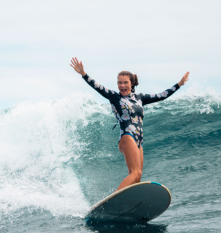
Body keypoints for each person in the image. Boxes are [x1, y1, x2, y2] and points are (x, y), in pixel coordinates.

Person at [70, 57, 189, 192]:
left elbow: (162, 95)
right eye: (119, 83)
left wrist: (179, 84)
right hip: (127, 137)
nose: (122, 86)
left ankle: (127, 204)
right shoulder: (115, 97)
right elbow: (98, 87)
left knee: (137, 177)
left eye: (125, 82)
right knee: (135, 173)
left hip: (139, 140)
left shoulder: (139, 98)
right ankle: (113, 200)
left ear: (132, 83)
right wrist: (84, 74)